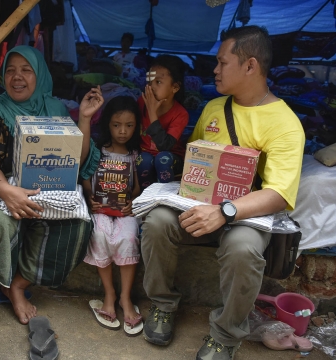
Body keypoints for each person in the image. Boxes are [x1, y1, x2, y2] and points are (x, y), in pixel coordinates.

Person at [141, 25, 305, 360]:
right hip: (199, 206)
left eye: (221, 62)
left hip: (244, 215)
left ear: (250, 66)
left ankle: (225, 335)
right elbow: (195, 157)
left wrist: (225, 211)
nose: (214, 70)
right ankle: (162, 304)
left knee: (243, 248)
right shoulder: (215, 108)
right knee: (157, 220)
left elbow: (278, 193)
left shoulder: (285, 123)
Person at [0, 45, 102, 324]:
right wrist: (8, 193)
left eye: (26, 70)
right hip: (0, 187)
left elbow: (73, 161)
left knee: (77, 223)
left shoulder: (54, 109)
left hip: (45, 189)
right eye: (11, 70)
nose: (17, 77)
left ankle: (16, 285)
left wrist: (85, 119)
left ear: (39, 75)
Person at [82, 96, 143, 336]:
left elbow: (137, 187)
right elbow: (86, 177)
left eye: (129, 125)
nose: (122, 131)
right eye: (117, 124)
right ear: (107, 123)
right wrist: (90, 197)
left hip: (124, 209)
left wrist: (132, 202)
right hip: (100, 208)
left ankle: (125, 299)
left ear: (136, 126)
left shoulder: (135, 154)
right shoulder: (98, 151)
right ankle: (109, 294)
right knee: (98, 234)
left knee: (128, 238)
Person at [136, 55, 189, 189]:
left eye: (158, 82)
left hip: (171, 156)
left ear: (175, 87)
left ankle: (164, 198)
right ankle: (144, 198)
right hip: (146, 154)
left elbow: (165, 146)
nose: (151, 87)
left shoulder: (180, 114)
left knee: (162, 159)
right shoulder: (141, 103)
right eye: (149, 82)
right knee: (144, 159)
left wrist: (152, 112)